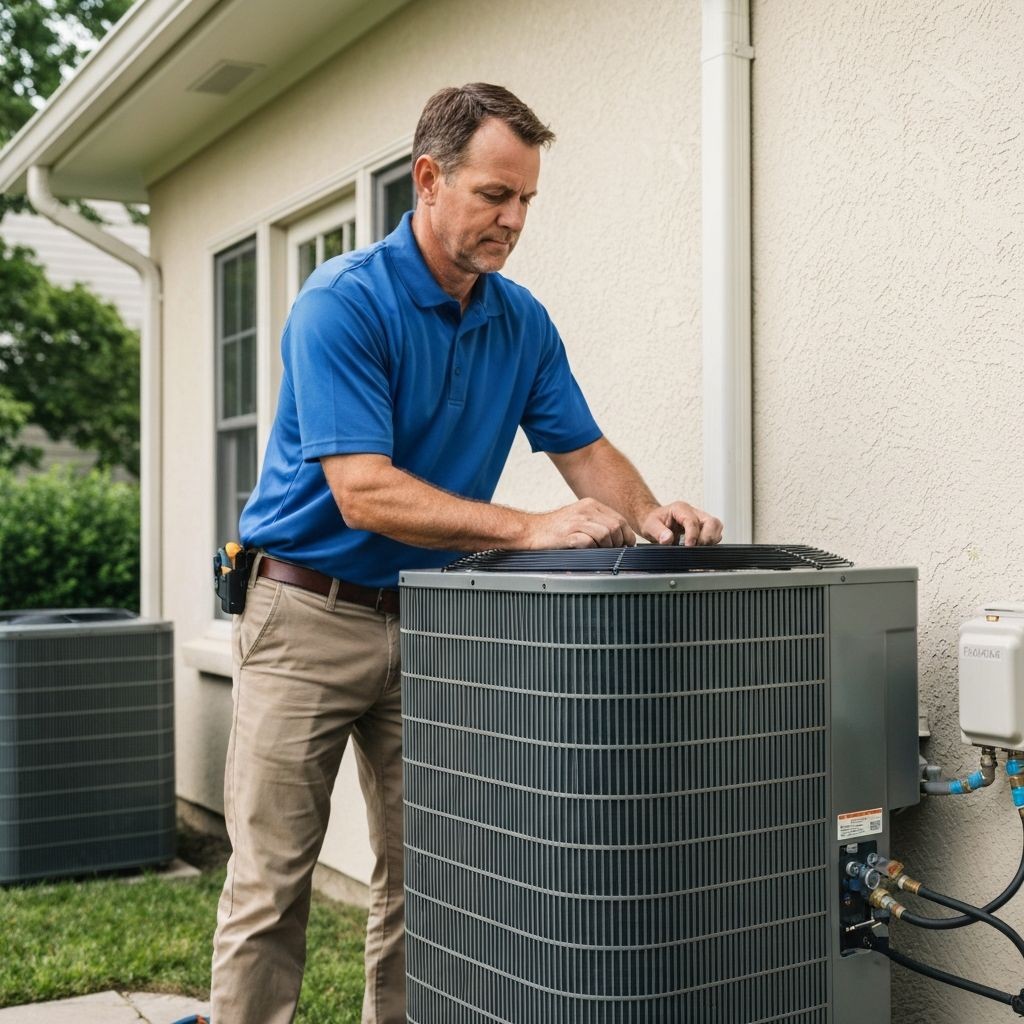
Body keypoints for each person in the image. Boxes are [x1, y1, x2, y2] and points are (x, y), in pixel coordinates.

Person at [210, 83, 723, 1024]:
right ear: (429, 179)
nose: (515, 219)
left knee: (434, 878)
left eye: (527, 199)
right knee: (272, 880)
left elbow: (584, 450)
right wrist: (528, 528)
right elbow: (362, 489)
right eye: (496, 195)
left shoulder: (518, 319)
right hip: (306, 618)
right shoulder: (343, 303)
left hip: (435, 621)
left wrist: (648, 515)